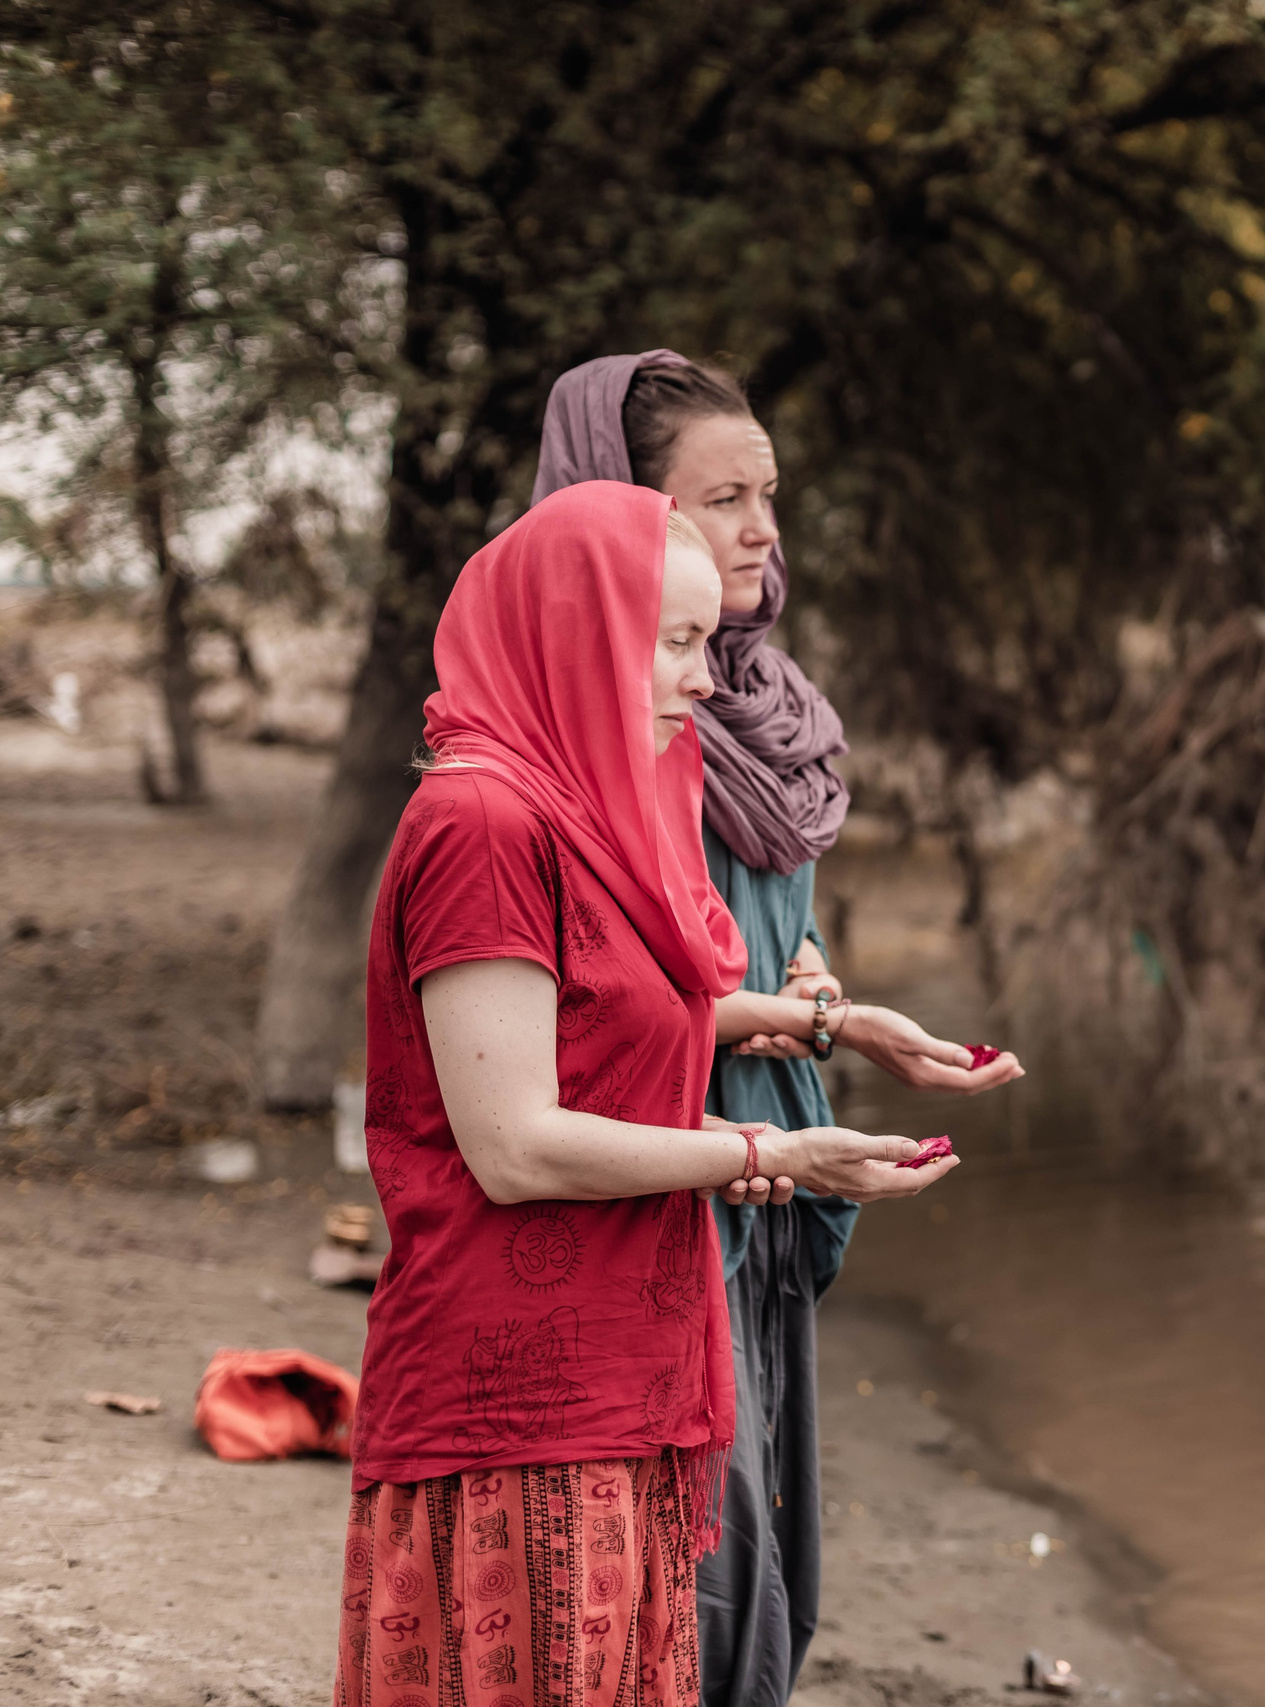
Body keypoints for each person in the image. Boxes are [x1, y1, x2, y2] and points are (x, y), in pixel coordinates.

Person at [335, 482, 958, 1706]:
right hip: (517, 1407)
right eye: (672, 642)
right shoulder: (482, 822)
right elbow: (515, 1145)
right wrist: (771, 1158)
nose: (706, 679)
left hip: (628, 1373)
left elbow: (612, 1037)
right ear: (573, 636)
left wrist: (822, 1031)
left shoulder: (578, 815)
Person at [529, 351, 1023, 1707]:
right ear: (624, 515)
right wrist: (819, 1025)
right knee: (707, 1564)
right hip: (664, 1164)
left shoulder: (760, 700)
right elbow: (611, 1001)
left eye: (769, 495)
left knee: (771, 1552)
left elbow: (772, 930)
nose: (762, 529)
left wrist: (838, 1008)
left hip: (769, 1156)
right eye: (723, 499)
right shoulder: (605, 721)